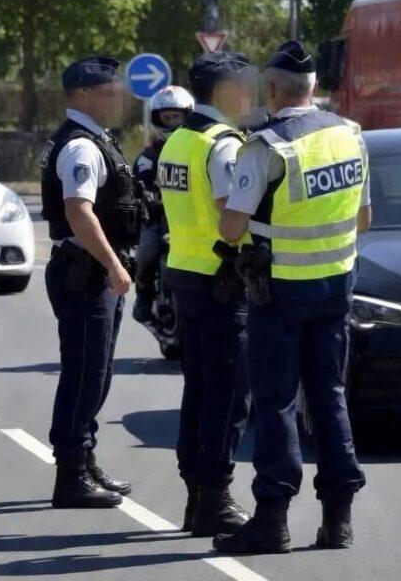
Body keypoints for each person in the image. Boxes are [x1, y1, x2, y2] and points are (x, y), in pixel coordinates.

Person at [213, 41, 372, 553]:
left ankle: (273, 519)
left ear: (275, 90)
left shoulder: (266, 146)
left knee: (277, 400)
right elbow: (364, 219)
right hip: (336, 287)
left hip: (279, 292)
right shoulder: (350, 136)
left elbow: (232, 227)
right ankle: (338, 520)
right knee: (329, 395)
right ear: (316, 89)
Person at [157, 51, 255, 537]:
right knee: (228, 395)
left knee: (198, 391)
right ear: (225, 91)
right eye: (244, 85)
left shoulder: (177, 139)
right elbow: (230, 219)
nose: (250, 94)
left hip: (185, 274)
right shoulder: (224, 146)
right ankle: (214, 497)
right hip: (222, 279)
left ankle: (198, 497)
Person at [40, 56, 143, 508]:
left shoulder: (97, 140)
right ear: (82, 95)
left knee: (96, 373)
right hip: (85, 272)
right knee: (84, 374)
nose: (118, 98)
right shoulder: (81, 147)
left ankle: (84, 459)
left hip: (93, 270)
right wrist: (113, 264)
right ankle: (70, 474)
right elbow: (79, 213)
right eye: (108, 91)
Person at [132, 85, 194, 324]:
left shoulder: (196, 149)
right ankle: (144, 296)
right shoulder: (148, 156)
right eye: (166, 118)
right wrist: (145, 197)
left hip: (189, 220)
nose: (171, 122)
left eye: (176, 117)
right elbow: (138, 183)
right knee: (146, 251)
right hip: (158, 219)